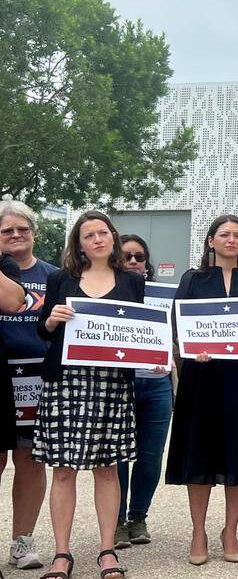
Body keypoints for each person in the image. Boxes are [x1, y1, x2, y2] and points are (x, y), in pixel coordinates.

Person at [35, 211, 145, 579]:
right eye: (88, 235)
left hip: (112, 384)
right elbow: (44, 332)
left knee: (108, 469)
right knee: (63, 471)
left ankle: (107, 550)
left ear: (112, 238)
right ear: (78, 244)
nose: (97, 239)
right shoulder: (60, 279)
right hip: (66, 383)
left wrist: (157, 357)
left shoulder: (132, 281)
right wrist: (51, 319)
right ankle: (62, 553)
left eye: (102, 232)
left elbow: (141, 333)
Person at [164, 214, 238, 566]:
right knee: (201, 453)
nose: (231, 240)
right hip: (202, 379)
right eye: (224, 234)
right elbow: (177, 326)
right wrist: (193, 349)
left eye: (237, 235)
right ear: (210, 240)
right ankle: (199, 530)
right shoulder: (193, 279)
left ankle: (230, 529)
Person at [0, 200, 55, 570]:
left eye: (23, 229)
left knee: (31, 461)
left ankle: (23, 543)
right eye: (7, 231)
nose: (16, 235)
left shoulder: (55, 275)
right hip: (2, 374)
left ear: (35, 233)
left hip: (39, 375)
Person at [111, 234, 173, 550]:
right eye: (127, 256)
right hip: (121, 384)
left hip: (158, 383)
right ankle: (117, 521)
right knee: (120, 456)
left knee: (151, 456)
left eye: (140, 256)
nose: (134, 261)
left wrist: (171, 357)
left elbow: (178, 335)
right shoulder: (107, 292)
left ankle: (138, 517)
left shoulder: (163, 296)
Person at [0, 250, 32, 574]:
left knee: (28, 459)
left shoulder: (4, 264)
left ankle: (21, 544)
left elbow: (12, 301)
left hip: (13, 373)